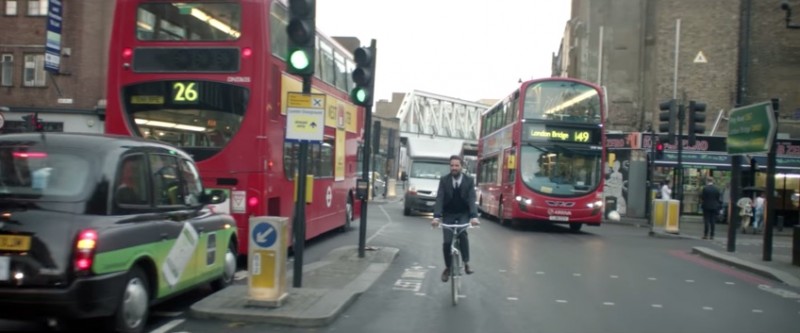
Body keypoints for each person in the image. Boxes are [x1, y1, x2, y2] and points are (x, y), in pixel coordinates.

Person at [432, 155, 480, 283]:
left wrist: (473, 217)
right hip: (448, 214)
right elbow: (440, 199)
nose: (454, 168)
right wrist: (436, 217)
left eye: (456, 165)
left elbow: (471, 199)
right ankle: (448, 268)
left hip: (463, 213)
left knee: (462, 234)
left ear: (461, 166)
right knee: (447, 242)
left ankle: (466, 263)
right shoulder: (444, 180)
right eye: (452, 165)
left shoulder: (469, 180)